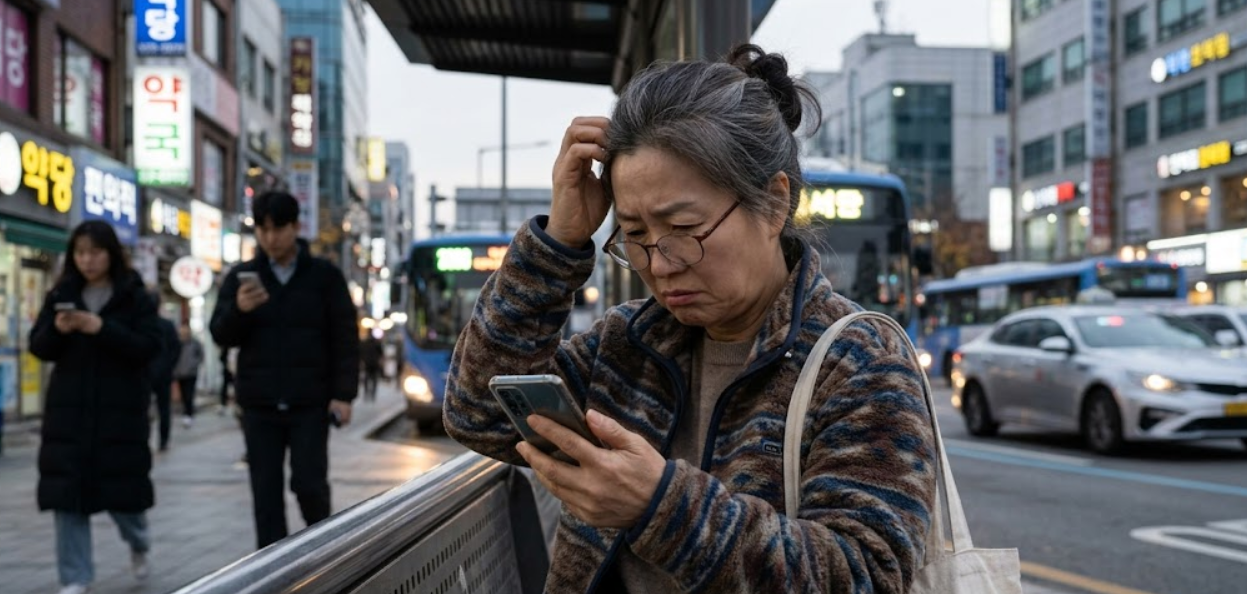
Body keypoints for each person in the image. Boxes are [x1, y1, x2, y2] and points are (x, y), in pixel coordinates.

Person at [443, 45, 937, 593]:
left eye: (683, 229)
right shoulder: (628, 345)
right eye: (635, 234)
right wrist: (558, 244)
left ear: (774, 204)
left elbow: (866, 575)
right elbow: (479, 413)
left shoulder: (859, 363)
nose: (659, 264)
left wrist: (661, 509)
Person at [209, 190, 359, 549]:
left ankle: (323, 551)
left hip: (310, 401)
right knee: (265, 494)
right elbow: (220, 334)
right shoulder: (242, 277)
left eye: (277, 228)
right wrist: (239, 310)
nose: (270, 238)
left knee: (309, 485)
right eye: (262, 229)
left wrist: (343, 395)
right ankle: (272, 568)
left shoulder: (324, 276)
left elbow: (344, 338)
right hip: (259, 403)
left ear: (295, 227)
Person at [30, 221, 161, 594]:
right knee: (67, 498)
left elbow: (149, 347)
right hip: (68, 415)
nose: (87, 260)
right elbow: (38, 346)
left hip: (120, 415)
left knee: (125, 501)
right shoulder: (61, 293)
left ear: (111, 254)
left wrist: (100, 327)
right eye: (80, 252)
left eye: (95, 252)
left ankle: (139, 541)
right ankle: (75, 577)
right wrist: (58, 329)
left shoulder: (134, 295)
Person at [148, 293, 182, 452]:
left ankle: (147, 438)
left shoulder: (144, 325)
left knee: (143, 407)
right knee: (164, 409)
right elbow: (176, 348)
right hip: (163, 373)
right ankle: (163, 440)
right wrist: (169, 365)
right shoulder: (167, 325)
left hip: (148, 373)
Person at [173, 323, 205, 427]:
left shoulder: (195, 343)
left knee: (189, 394)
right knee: (183, 394)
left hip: (191, 373)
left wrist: (194, 364)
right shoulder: (177, 343)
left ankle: (189, 414)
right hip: (180, 373)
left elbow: (201, 355)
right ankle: (187, 413)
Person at [360, 330, 384, 401]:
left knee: (367, 380)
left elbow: (361, 353)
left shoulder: (364, 343)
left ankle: (366, 394)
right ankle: (372, 395)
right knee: (374, 380)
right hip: (374, 364)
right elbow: (381, 354)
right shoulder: (376, 342)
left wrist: (362, 361)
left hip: (367, 363)